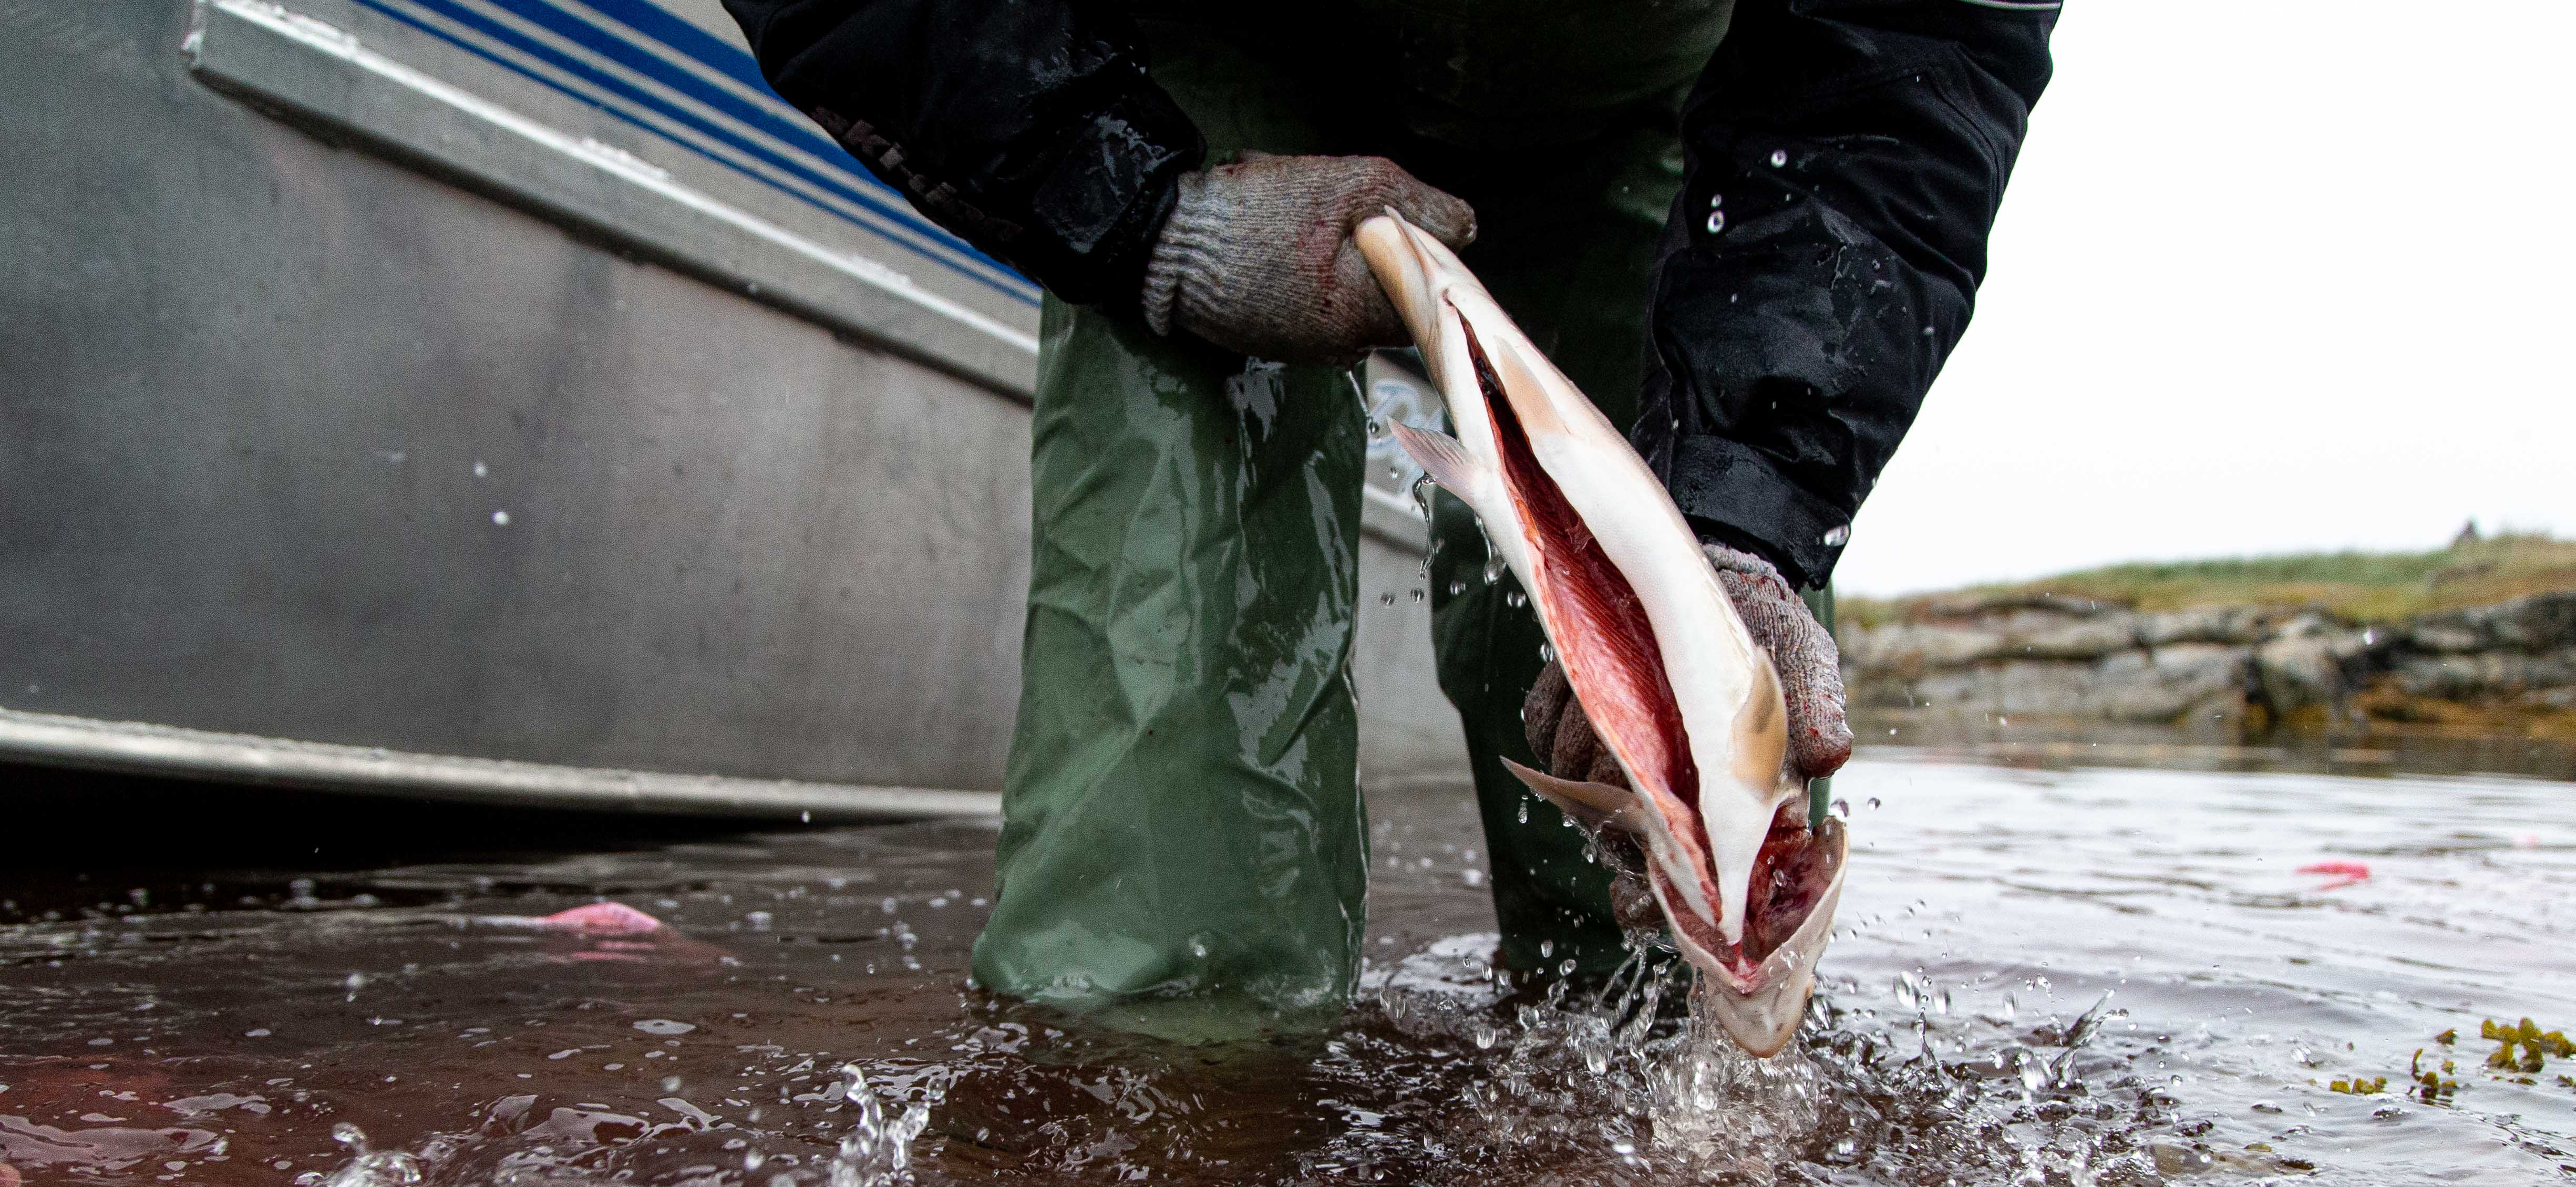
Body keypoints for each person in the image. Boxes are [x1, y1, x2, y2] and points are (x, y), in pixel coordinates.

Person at [723, 0, 2054, 1028]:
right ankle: (1157, 1157)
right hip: (1194, 72)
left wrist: (1747, 505)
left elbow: (1910, 59)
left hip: (1649, 110)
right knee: (1165, 776)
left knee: (1679, 895)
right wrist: (1136, 213)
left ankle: (1647, 1105)